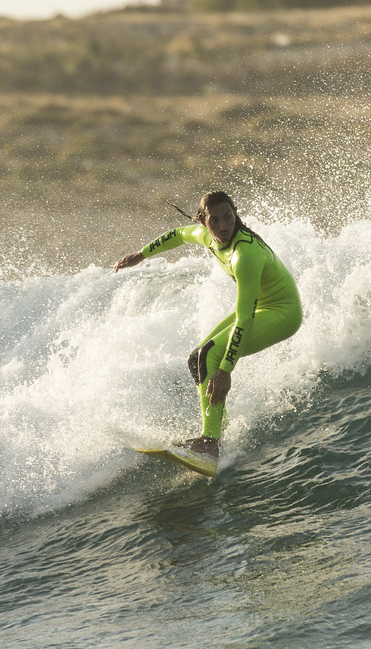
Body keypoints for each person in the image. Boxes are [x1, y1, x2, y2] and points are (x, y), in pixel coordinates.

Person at [114, 191, 303, 460]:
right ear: (204, 222)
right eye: (215, 221)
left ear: (236, 213)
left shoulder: (244, 254)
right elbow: (178, 235)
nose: (224, 226)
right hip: (262, 306)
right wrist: (142, 255)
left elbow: (245, 318)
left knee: (211, 356)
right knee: (196, 359)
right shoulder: (206, 236)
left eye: (229, 217)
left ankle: (210, 442)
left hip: (283, 312)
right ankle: (218, 427)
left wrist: (226, 370)